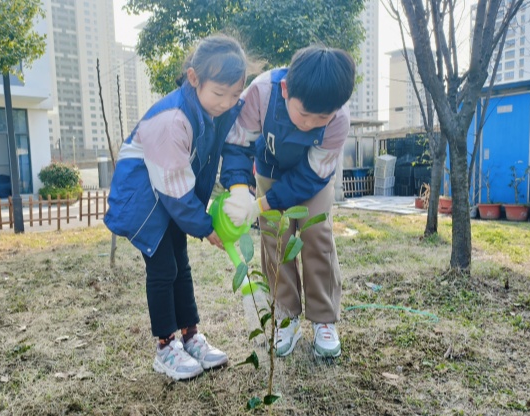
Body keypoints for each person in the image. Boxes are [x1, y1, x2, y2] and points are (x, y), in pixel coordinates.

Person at [104, 35, 248, 380]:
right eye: (219, 93)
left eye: (235, 95)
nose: (227, 103)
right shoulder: (172, 120)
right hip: (143, 200)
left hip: (168, 199)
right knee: (164, 268)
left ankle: (191, 335)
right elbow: (174, 187)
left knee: (180, 265)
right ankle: (166, 346)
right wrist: (205, 226)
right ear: (193, 78)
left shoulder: (209, 112)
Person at [220, 45, 355, 358]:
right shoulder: (261, 93)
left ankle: (323, 319)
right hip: (270, 170)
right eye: (303, 114)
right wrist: (241, 189)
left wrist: (263, 205)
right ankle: (286, 315)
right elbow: (237, 144)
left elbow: (312, 176)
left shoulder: (338, 120)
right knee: (275, 239)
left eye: (321, 117)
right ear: (285, 90)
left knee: (316, 235)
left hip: (312, 177)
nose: (308, 124)